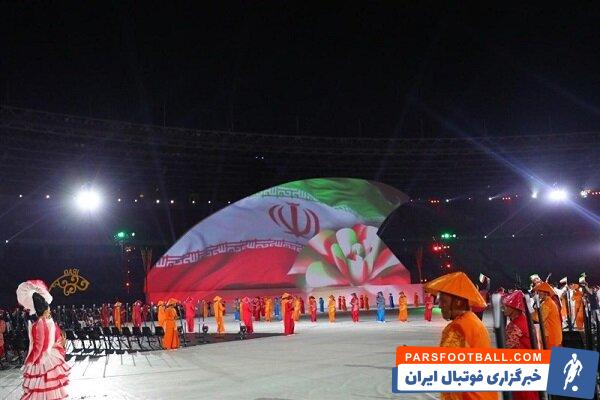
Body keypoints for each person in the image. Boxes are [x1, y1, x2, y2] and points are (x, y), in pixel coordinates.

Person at [424, 272, 497, 400]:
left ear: (457, 302)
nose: (439, 305)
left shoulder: (457, 328)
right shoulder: (473, 320)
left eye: (443, 300)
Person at [17, 280, 70, 400]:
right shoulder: (49, 320)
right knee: (49, 390)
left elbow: (39, 347)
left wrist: (30, 360)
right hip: (51, 358)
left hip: (42, 360)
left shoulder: (38, 324)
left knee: (40, 390)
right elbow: (57, 338)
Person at [502, 291, 539, 400]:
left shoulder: (517, 325)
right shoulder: (520, 320)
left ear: (514, 308)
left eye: (507, 306)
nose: (504, 308)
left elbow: (506, 346)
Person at [532, 281, 562, 349]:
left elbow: (540, 318)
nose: (538, 293)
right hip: (550, 333)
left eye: (540, 291)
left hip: (551, 334)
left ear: (545, 293)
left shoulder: (548, 304)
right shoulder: (546, 302)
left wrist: (530, 314)